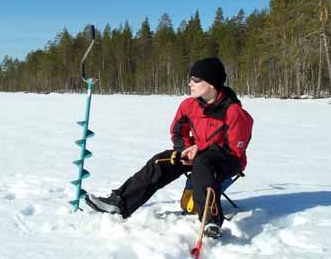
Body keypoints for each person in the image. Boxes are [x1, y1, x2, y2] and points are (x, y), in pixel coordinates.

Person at [85, 57, 254, 238]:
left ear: (212, 84)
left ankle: (211, 220)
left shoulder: (234, 112)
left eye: (196, 80)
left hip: (227, 160)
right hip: (197, 155)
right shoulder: (188, 105)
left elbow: (234, 150)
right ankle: (119, 202)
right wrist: (186, 149)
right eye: (190, 79)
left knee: (204, 163)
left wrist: (200, 150)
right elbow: (177, 132)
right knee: (162, 160)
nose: (190, 83)